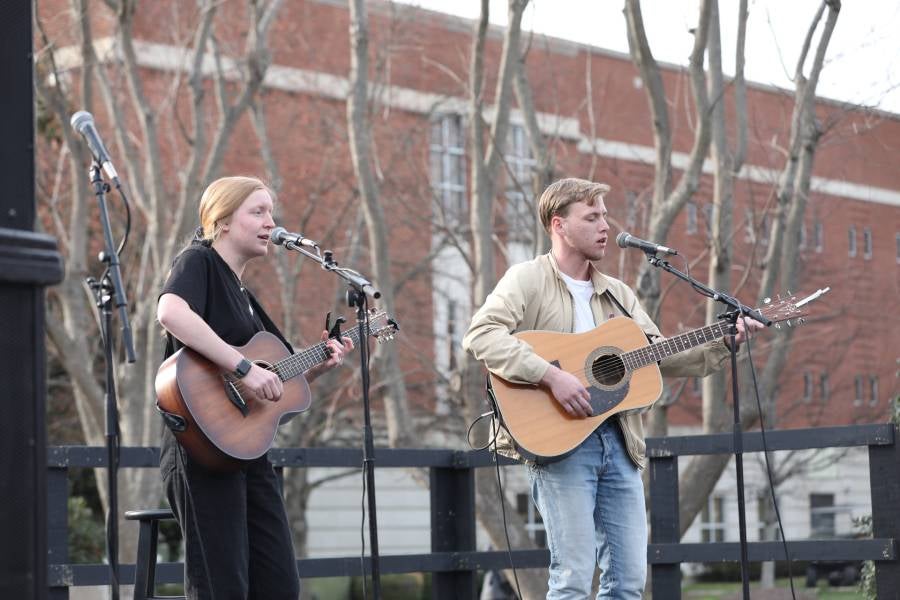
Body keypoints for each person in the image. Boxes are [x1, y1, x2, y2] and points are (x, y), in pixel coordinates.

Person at [462, 178, 763, 599]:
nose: (605, 225)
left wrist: (721, 343)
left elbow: (655, 354)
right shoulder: (527, 279)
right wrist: (551, 375)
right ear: (558, 225)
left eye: (604, 215)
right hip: (561, 445)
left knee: (627, 582)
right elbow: (481, 335)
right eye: (592, 217)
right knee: (572, 578)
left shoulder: (618, 294)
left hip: (620, 444)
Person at [156, 176, 353, 600]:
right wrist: (244, 366)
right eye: (258, 211)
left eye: (271, 212)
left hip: (247, 452)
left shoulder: (244, 293)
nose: (270, 222)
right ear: (222, 221)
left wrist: (318, 364)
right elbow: (171, 311)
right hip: (200, 451)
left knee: (279, 582)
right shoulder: (198, 261)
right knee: (221, 587)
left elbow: (272, 379)